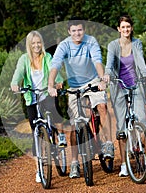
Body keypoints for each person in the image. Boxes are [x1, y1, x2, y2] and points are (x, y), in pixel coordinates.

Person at [48, 17, 113, 178]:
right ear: (69, 32)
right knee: (75, 124)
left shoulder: (91, 41)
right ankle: (75, 162)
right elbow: (55, 64)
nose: (77, 33)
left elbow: (97, 60)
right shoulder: (64, 45)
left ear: (84, 30)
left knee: (102, 106)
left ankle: (108, 144)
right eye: (74, 31)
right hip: (74, 86)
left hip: (92, 81)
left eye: (80, 30)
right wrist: (50, 85)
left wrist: (102, 79)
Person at [11, 30, 66, 183]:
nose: (36, 45)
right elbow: (18, 73)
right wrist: (15, 84)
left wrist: (58, 82)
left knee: (55, 113)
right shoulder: (24, 59)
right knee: (36, 132)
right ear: (29, 45)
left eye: (38, 42)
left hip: (46, 93)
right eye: (33, 43)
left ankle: (60, 136)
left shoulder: (47, 57)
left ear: (42, 43)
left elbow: (54, 69)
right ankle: (39, 169)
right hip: (32, 97)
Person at [103, 14, 146, 177]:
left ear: (131, 28)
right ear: (118, 29)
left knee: (142, 121)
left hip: (136, 84)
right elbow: (110, 64)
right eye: (123, 27)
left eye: (128, 27)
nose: (126, 30)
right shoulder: (113, 45)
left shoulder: (136, 43)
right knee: (122, 128)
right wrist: (107, 75)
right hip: (118, 85)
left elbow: (141, 61)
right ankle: (124, 164)